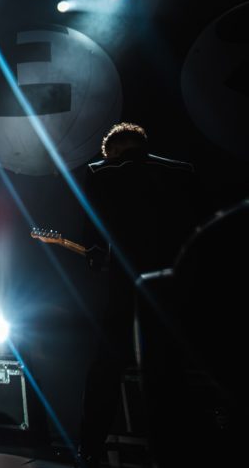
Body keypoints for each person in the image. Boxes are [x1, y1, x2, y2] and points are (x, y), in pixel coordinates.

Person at [77, 122, 209, 467]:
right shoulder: (182, 171)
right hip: (176, 289)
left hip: (128, 288)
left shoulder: (101, 173)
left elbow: (96, 231)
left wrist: (95, 255)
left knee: (105, 371)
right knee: (170, 373)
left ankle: (89, 449)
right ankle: (178, 451)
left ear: (113, 150)